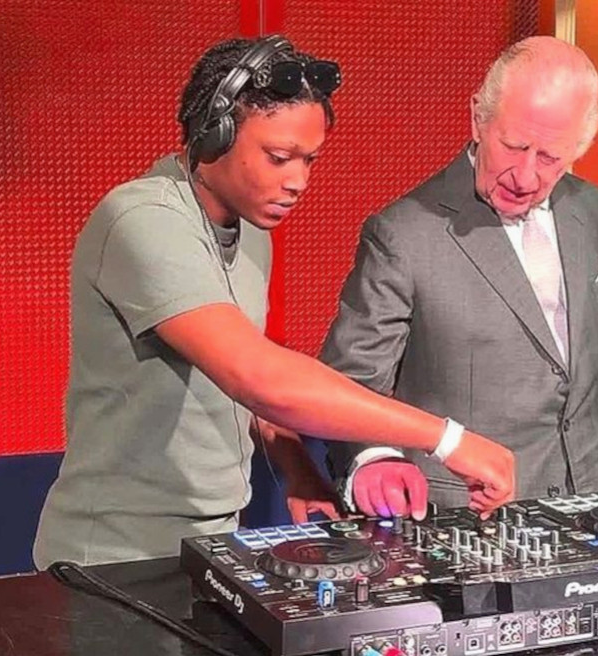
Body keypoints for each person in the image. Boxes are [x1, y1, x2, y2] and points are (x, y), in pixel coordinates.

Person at [33, 36, 515, 569]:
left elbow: (242, 379)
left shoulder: (250, 231)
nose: (298, 181)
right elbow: (259, 378)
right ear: (213, 135)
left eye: (309, 160)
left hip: (210, 537)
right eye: (279, 158)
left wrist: (297, 468)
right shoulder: (143, 220)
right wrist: (446, 439)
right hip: (113, 555)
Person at [320, 36, 598, 518]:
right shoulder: (404, 233)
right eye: (514, 146)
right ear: (478, 117)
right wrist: (376, 461)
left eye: (550, 158)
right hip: (474, 514)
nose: (525, 176)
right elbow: (348, 386)